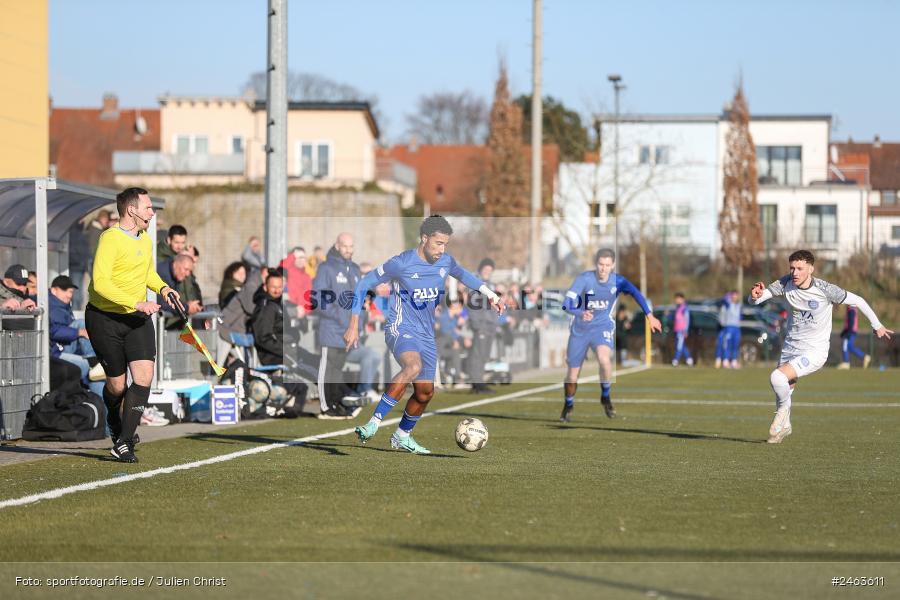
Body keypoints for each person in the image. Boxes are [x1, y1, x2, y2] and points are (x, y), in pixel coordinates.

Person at [344, 215, 503, 454]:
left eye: (445, 244)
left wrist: (491, 294)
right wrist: (354, 323)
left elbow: (465, 275)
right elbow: (362, 284)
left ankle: (402, 436)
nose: (441, 249)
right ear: (424, 238)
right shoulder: (401, 262)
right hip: (401, 327)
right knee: (412, 366)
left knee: (426, 391)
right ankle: (373, 423)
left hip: (426, 334)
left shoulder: (446, 262)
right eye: (438, 243)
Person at [748, 249, 893, 443]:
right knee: (784, 388)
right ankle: (786, 426)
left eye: (800, 268)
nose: (795, 273)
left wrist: (877, 325)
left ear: (811, 269)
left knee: (777, 378)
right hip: (790, 347)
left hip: (815, 351)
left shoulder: (825, 290)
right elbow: (757, 299)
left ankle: (782, 413)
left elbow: (857, 300)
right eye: (792, 268)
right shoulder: (785, 283)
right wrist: (753, 296)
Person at [85, 187, 179, 463]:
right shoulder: (110, 239)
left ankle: (124, 442)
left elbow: (148, 272)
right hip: (105, 319)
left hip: (137, 320)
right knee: (116, 385)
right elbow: (101, 284)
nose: (152, 212)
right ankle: (114, 421)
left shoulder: (145, 240)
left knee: (144, 377)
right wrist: (135, 302)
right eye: (148, 207)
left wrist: (163, 289)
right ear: (132, 210)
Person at [560, 248, 662, 422]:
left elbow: (636, 294)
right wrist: (580, 312)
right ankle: (568, 404)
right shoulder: (584, 278)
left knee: (604, 360)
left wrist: (649, 315)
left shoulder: (618, 281)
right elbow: (566, 304)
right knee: (572, 375)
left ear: (613, 265)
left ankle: (605, 395)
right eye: (601, 264)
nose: (603, 269)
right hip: (580, 329)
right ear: (596, 264)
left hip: (602, 326)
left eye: (607, 265)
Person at [312, 233, 364, 419]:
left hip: (349, 332)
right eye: (345, 246)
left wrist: (358, 325)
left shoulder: (355, 269)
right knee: (328, 368)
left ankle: (336, 404)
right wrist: (340, 317)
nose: (348, 250)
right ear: (337, 245)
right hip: (331, 329)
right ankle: (326, 408)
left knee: (338, 369)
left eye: (351, 246)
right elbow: (318, 298)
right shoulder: (326, 268)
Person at [48, 275, 106, 396]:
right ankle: (96, 362)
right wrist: (78, 332)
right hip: (56, 351)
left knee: (97, 377)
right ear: (53, 290)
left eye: (71, 292)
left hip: (65, 346)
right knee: (81, 324)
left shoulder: (63, 306)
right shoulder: (50, 305)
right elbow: (53, 331)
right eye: (65, 291)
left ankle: (105, 413)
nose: (69, 295)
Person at [466, 258, 499, 394]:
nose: (488, 272)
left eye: (490, 270)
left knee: (484, 355)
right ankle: (477, 383)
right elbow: (473, 306)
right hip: (481, 324)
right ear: (481, 269)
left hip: (489, 324)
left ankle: (479, 382)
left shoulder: (490, 284)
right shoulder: (476, 285)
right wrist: (476, 324)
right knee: (478, 354)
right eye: (486, 269)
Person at [157, 254, 202, 330]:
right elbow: (162, 304)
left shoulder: (174, 275)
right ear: (176, 264)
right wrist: (187, 307)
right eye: (186, 269)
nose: (188, 274)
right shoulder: (162, 274)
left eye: (190, 271)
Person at [715, 290, 742, 368]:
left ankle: (734, 361)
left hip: (737, 328)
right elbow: (720, 302)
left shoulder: (739, 305)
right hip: (728, 327)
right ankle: (725, 361)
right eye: (733, 295)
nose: (735, 297)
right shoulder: (727, 304)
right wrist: (726, 297)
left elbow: (740, 316)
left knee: (735, 345)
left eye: (736, 295)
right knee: (727, 345)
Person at [838, 305, 871, 369]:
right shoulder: (852, 308)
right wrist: (844, 332)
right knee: (850, 346)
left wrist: (847, 332)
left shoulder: (851, 309)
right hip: (851, 331)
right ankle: (864, 357)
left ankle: (846, 362)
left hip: (850, 331)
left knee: (845, 346)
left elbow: (851, 322)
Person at [671, 292, 694, 367]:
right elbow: (676, 318)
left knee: (679, 346)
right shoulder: (677, 307)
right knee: (682, 345)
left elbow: (687, 320)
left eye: (678, 299)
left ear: (682, 299)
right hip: (677, 330)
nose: (676, 300)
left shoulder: (685, 308)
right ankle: (689, 359)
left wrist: (685, 330)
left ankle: (675, 360)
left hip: (682, 330)